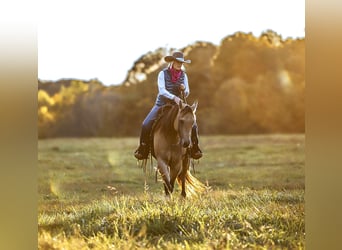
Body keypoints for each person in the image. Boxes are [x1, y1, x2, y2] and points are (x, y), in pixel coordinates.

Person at [134, 51, 203, 160]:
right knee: (146, 124)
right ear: (172, 61)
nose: (179, 64)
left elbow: (187, 91)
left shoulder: (184, 76)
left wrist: (184, 90)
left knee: (193, 124)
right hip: (162, 104)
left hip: (178, 106)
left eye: (181, 62)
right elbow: (162, 91)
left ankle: (195, 148)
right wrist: (174, 97)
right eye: (177, 62)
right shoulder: (162, 74)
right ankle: (143, 150)